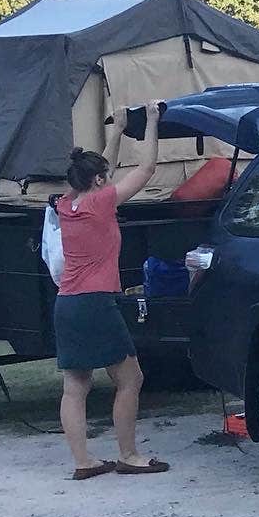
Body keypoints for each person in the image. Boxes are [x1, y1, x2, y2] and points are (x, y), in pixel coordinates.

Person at [53, 101, 170, 479]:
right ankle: (129, 455)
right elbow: (147, 169)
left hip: (66, 303)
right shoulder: (102, 203)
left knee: (75, 385)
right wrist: (152, 119)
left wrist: (117, 129)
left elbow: (97, 170)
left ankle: (83, 462)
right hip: (95, 302)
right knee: (130, 379)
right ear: (100, 181)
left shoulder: (65, 204)